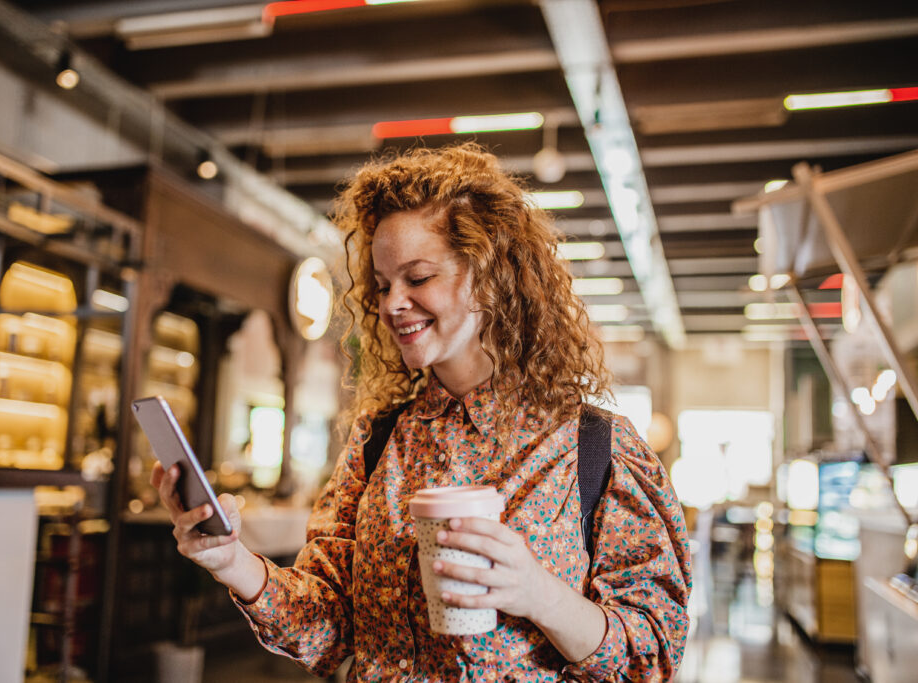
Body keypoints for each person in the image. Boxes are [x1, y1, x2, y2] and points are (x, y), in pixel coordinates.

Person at [152, 143, 692, 681]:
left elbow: (651, 655)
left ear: (489, 275)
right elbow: (328, 625)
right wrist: (232, 562)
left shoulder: (594, 448)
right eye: (383, 285)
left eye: (418, 278)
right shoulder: (380, 439)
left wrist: (538, 594)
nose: (390, 304)